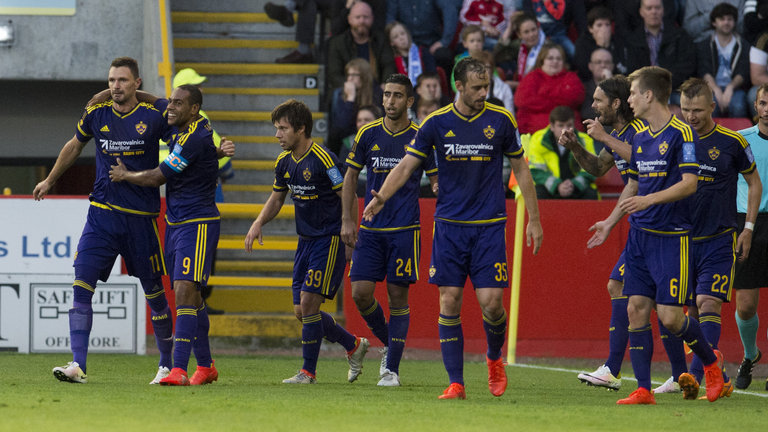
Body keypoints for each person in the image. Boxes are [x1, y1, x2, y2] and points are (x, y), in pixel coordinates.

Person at [362, 57, 543, 399]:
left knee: (491, 304)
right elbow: (405, 166)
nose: (483, 93)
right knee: (450, 300)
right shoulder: (436, 123)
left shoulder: (501, 120)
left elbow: (522, 171)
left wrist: (534, 218)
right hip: (449, 227)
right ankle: (456, 382)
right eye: (476, 87)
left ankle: (493, 357)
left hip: (489, 225)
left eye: (486, 86)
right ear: (458, 87)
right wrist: (382, 196)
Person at [586, 66, 725, 405]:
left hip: (671, 238)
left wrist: (650, 198)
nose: (629, 99)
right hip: (639, 236)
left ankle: (711, 363)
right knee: (635, 308)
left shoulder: (681, 133)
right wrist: (610, 220)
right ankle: (644, 389)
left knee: (671, 317)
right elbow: (633, 183)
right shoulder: (640, 135)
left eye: (632, 93)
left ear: (648, 95)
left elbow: (690, 183)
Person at [34, 57, 175, 385]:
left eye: (123, 80)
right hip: (101, 216)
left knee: (154, 293)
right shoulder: (97, 113)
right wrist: (51, 179)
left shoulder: (153, 116)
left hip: (141, 219)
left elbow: (175, 117)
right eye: (111, 80)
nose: (115, 86)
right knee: (82, 284)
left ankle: (167, 365)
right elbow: (74, 145)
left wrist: (149, 97)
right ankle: (77, 365)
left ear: (136, 83)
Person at [108, 84, 234, 385]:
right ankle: (206, 367)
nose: (170, 108)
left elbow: (157, 177)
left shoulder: (195, 136)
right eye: (171, 103)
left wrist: (125, 175)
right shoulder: (185, 121)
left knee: (183, 293)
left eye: (178, 103)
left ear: (194, 109)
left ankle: (178, 369)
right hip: (176, 222)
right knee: (193, 297)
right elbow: (158, 101)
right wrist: (132, 93)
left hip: (199, 222)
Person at [245, 99, 369, 384]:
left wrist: (350, 234)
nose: (277, 135)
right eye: (276, 129)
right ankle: (353, 345)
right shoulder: (284, 162)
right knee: (302, 312)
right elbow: (277, 198)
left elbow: (347, 194)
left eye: (283, 129)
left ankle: (307, 373)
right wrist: (258, 222)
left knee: (310, 303)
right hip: (305, 241)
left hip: (329, 239)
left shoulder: (324, 159)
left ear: (301, 129)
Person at [341, 74, 438, 387]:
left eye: (397, 96)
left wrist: (439, 186)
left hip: (405, 229)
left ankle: (391, 369)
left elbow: (435, 178)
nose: (390, 101)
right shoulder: (368, 133)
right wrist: (347, 220)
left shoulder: (421, 136)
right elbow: (350, 178)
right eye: (387, 95)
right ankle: (391, 344)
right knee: (360, 293)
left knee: (398, 297)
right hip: (370, 228)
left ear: (410, 101)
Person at [674, 77, 761, 399]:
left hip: (719, 238)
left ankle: (697, 376)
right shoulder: (674, 139)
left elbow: (754, 183)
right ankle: (720, 374)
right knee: (691, 315)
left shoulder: (732, 142)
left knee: (708, 302)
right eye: (685, 110)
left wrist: (748, 228)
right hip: (682, 240)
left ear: (713, 106)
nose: (691, 116)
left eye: (697, 110)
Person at [560, 75, 641, 390]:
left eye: (598, 101)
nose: (592, 106)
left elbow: (640, 167)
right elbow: (597, 168)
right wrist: (577, 147)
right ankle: (614, 369)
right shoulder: (620, 134)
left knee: (653, 300)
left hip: (659, 223)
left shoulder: (637, 133)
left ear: (617, 103)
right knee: (620, 286)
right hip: (641, 225)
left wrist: (610, 221)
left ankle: (698, 365)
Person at [172, 68, 235, 315]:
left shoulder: (170, 119)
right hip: (199, 195)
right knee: (203, 252)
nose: (202, 90)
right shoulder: (199, 118)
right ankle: (200, 300)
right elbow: (221, 156)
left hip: (176, 192)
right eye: (196, 87)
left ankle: (196, 303)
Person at [732, 83, 768, 391]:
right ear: (755, 106)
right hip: (748, 225)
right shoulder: (740, 140)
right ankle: (749, 355)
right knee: (745, 304)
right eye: (764, 103)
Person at [623, 0, 696, 109]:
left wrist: (664, 83)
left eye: (657, 8)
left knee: (691, 104)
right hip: (644, 90)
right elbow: (632, 70)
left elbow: (687, 66)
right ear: (641, 12)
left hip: (674, 89)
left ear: (663, 10)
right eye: (649, 8)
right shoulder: (632, 40)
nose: (654, 12)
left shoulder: (680, 36)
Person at [528, 106, 599, 200]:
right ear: (552, 126)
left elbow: (592, 169)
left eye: (569, 125)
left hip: (577, 188)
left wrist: (574, 184)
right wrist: (557, 185)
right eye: (560, 125)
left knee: (591, 194)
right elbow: (536, 172)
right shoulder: (538, 140)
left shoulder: (585, 140)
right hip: (549, 189)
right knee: (538, 193)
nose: (565, 130)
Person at [515, 41, 585, 134]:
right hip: (532, 133)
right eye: (550, 58)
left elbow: (575, 99)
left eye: (559, 58)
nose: (555, 61)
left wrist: (544, 94)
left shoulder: (571, 77)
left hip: (570, 134)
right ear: (542, 61)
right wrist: (559, 96)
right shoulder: (532, 77)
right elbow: (521, 100)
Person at [696, 3, 751, 118]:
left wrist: (730, 88)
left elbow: (743, 71)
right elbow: (703, 70)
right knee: (710, 108)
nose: (726, 22)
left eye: (729, 19)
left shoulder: (744, 45)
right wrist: (716, 90)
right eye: (722, 19)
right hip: (710, 88)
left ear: (734, 22)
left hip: (736, 89)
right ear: (714, 22)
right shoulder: (704, 45)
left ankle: (738, 136)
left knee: (738, 106)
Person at [326, 1, 395, 91]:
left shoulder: (381, 41)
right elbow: (334, 74)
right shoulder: (338, 43)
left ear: (372, 19)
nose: (362, 21)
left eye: (365, 17)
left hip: (376, 90)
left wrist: (385, 82)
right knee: (338, 92)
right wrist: (349, 86)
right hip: (348, 90)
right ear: (349, 19)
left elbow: (388, 65)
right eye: (357, 17)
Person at [329, 58, 384, 155]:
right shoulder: (340, 95)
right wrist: (350, 98)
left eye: (354, 75)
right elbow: (341, 128)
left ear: (364, 76)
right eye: (348, 75)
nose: (350, 78)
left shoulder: (377, 93)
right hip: (349, 140)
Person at [573, 6, 628, 82]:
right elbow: (583, 71)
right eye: (599, 25)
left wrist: (607, 46)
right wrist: (600, 47)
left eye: (607, 25)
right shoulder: (582, 44)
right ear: (590, 29)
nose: (604, 29)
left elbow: (624, 69)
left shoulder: (619, 42)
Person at [493, 11, 545, 91]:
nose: (531, 35)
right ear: (519, 35)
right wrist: (509, 28)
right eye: (526, 32)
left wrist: (517, 85)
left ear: (538, 29)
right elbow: (497, 55)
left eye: (533, 30)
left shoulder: (547, 48)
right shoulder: (519, 46)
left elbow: (544, 82)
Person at [522, 0, 586, 61]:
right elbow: (529, 17)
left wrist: (547, 3)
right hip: (539, 36)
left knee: (574, 53)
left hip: (559, 35)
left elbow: (559, 17)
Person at [386, 21, 437, 87]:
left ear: (407, 34)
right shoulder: (393, 61)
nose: (401, 38)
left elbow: (433, 74)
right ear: (391, 43)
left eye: (402, 33)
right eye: (396, 37)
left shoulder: (423, 52)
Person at [580, 48, 614, 121]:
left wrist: (610, 84)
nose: (603, 65)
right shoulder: (584, 88)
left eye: (607, 62)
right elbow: (586, 113)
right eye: (598, 62)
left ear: (612, 66)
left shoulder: (621, 87)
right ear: (590, 66)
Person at [451, 25, 486, 93]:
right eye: (472, 41)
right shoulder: (461, 61)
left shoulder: (487, 59)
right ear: (465, 43)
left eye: (479, 40)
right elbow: (454, 81)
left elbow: (494, 77)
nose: (476, 44)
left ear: (483, 43)